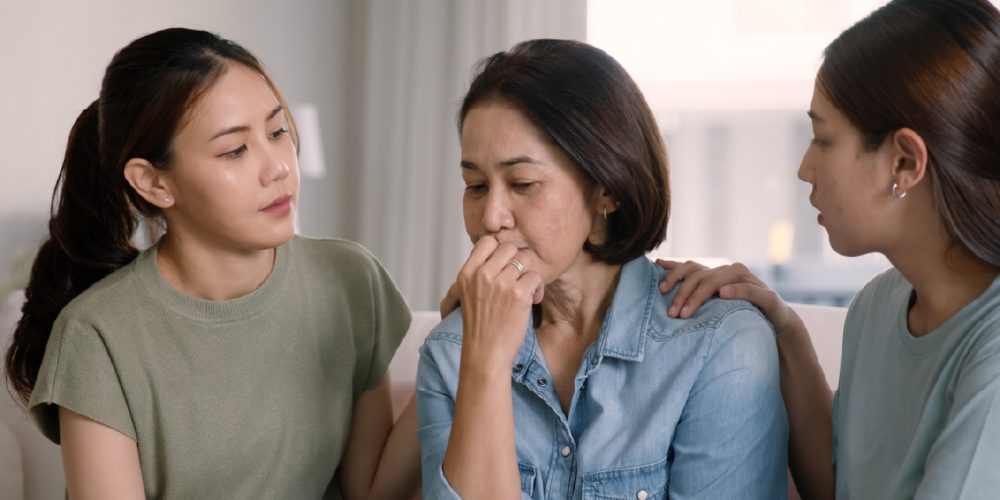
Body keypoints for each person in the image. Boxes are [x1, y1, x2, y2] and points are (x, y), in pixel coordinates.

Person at [3, 28, 419, 499]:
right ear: (153, 182)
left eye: (278, 131)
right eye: (235, 150)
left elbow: (372, 491)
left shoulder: (349, 280)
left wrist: (461, 353)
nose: (279, 167)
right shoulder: (97, 335)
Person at [416, 39, 788, 499]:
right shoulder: (453, 353)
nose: (491, 217)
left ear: (606, 191)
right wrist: (486, 365)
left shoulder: (719, 347)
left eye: (523, 183)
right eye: (475, 185)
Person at [657, 1, 1000, 498]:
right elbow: (834, 484)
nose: (804, 168)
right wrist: (783, 326)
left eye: (822, 139)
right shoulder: (877, 306)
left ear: (904, 162)